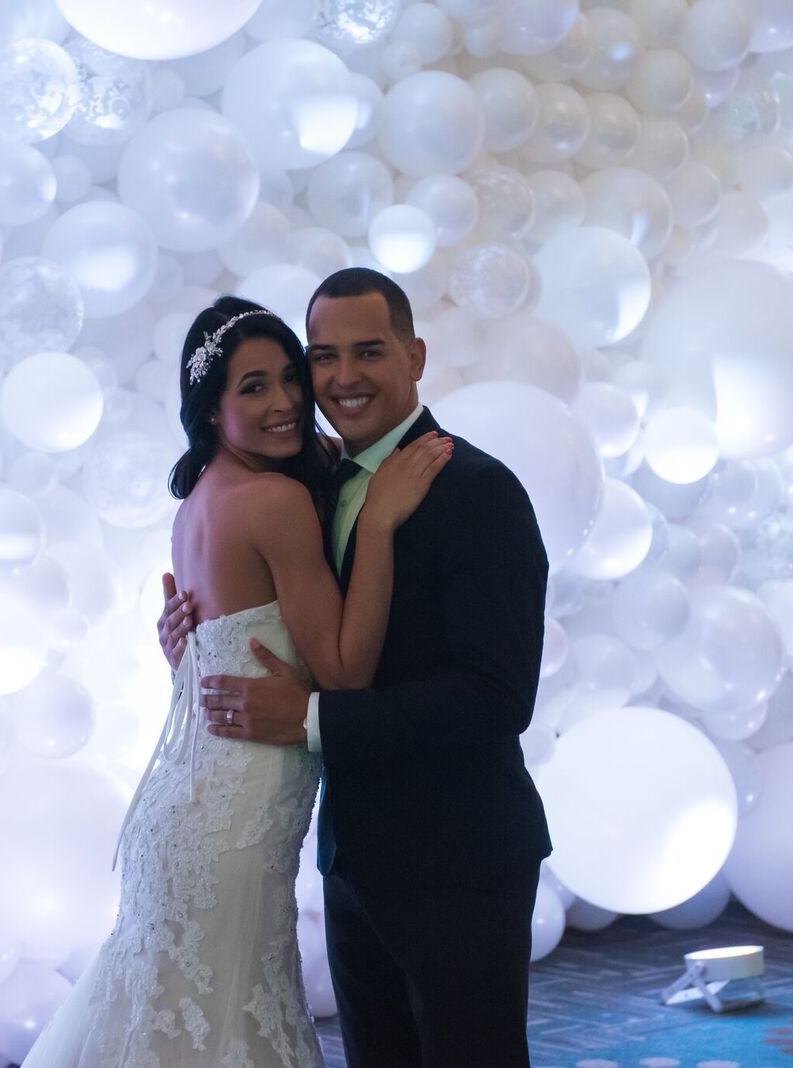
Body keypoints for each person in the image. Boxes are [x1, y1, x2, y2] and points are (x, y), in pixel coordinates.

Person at [21, 296, 450, 1068]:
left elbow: (212, 650)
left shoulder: (197, 502)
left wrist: (177, 653)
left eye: (291, 377)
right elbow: (347, 671)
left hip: (186, 812)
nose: (286, 401)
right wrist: (380, 523)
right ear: (210, 409)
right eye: (253, 388)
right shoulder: (277, 501)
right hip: (234, 823)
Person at [159, 268, 552, 1067]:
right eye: (323, 357)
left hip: (458, 860)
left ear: (414, 355)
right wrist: (194, 638)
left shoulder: (478, 491)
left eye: (368, 352)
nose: (341, 379)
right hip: (351, 855)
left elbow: (495, 697)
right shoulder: (313, 477)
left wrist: (309, 719)